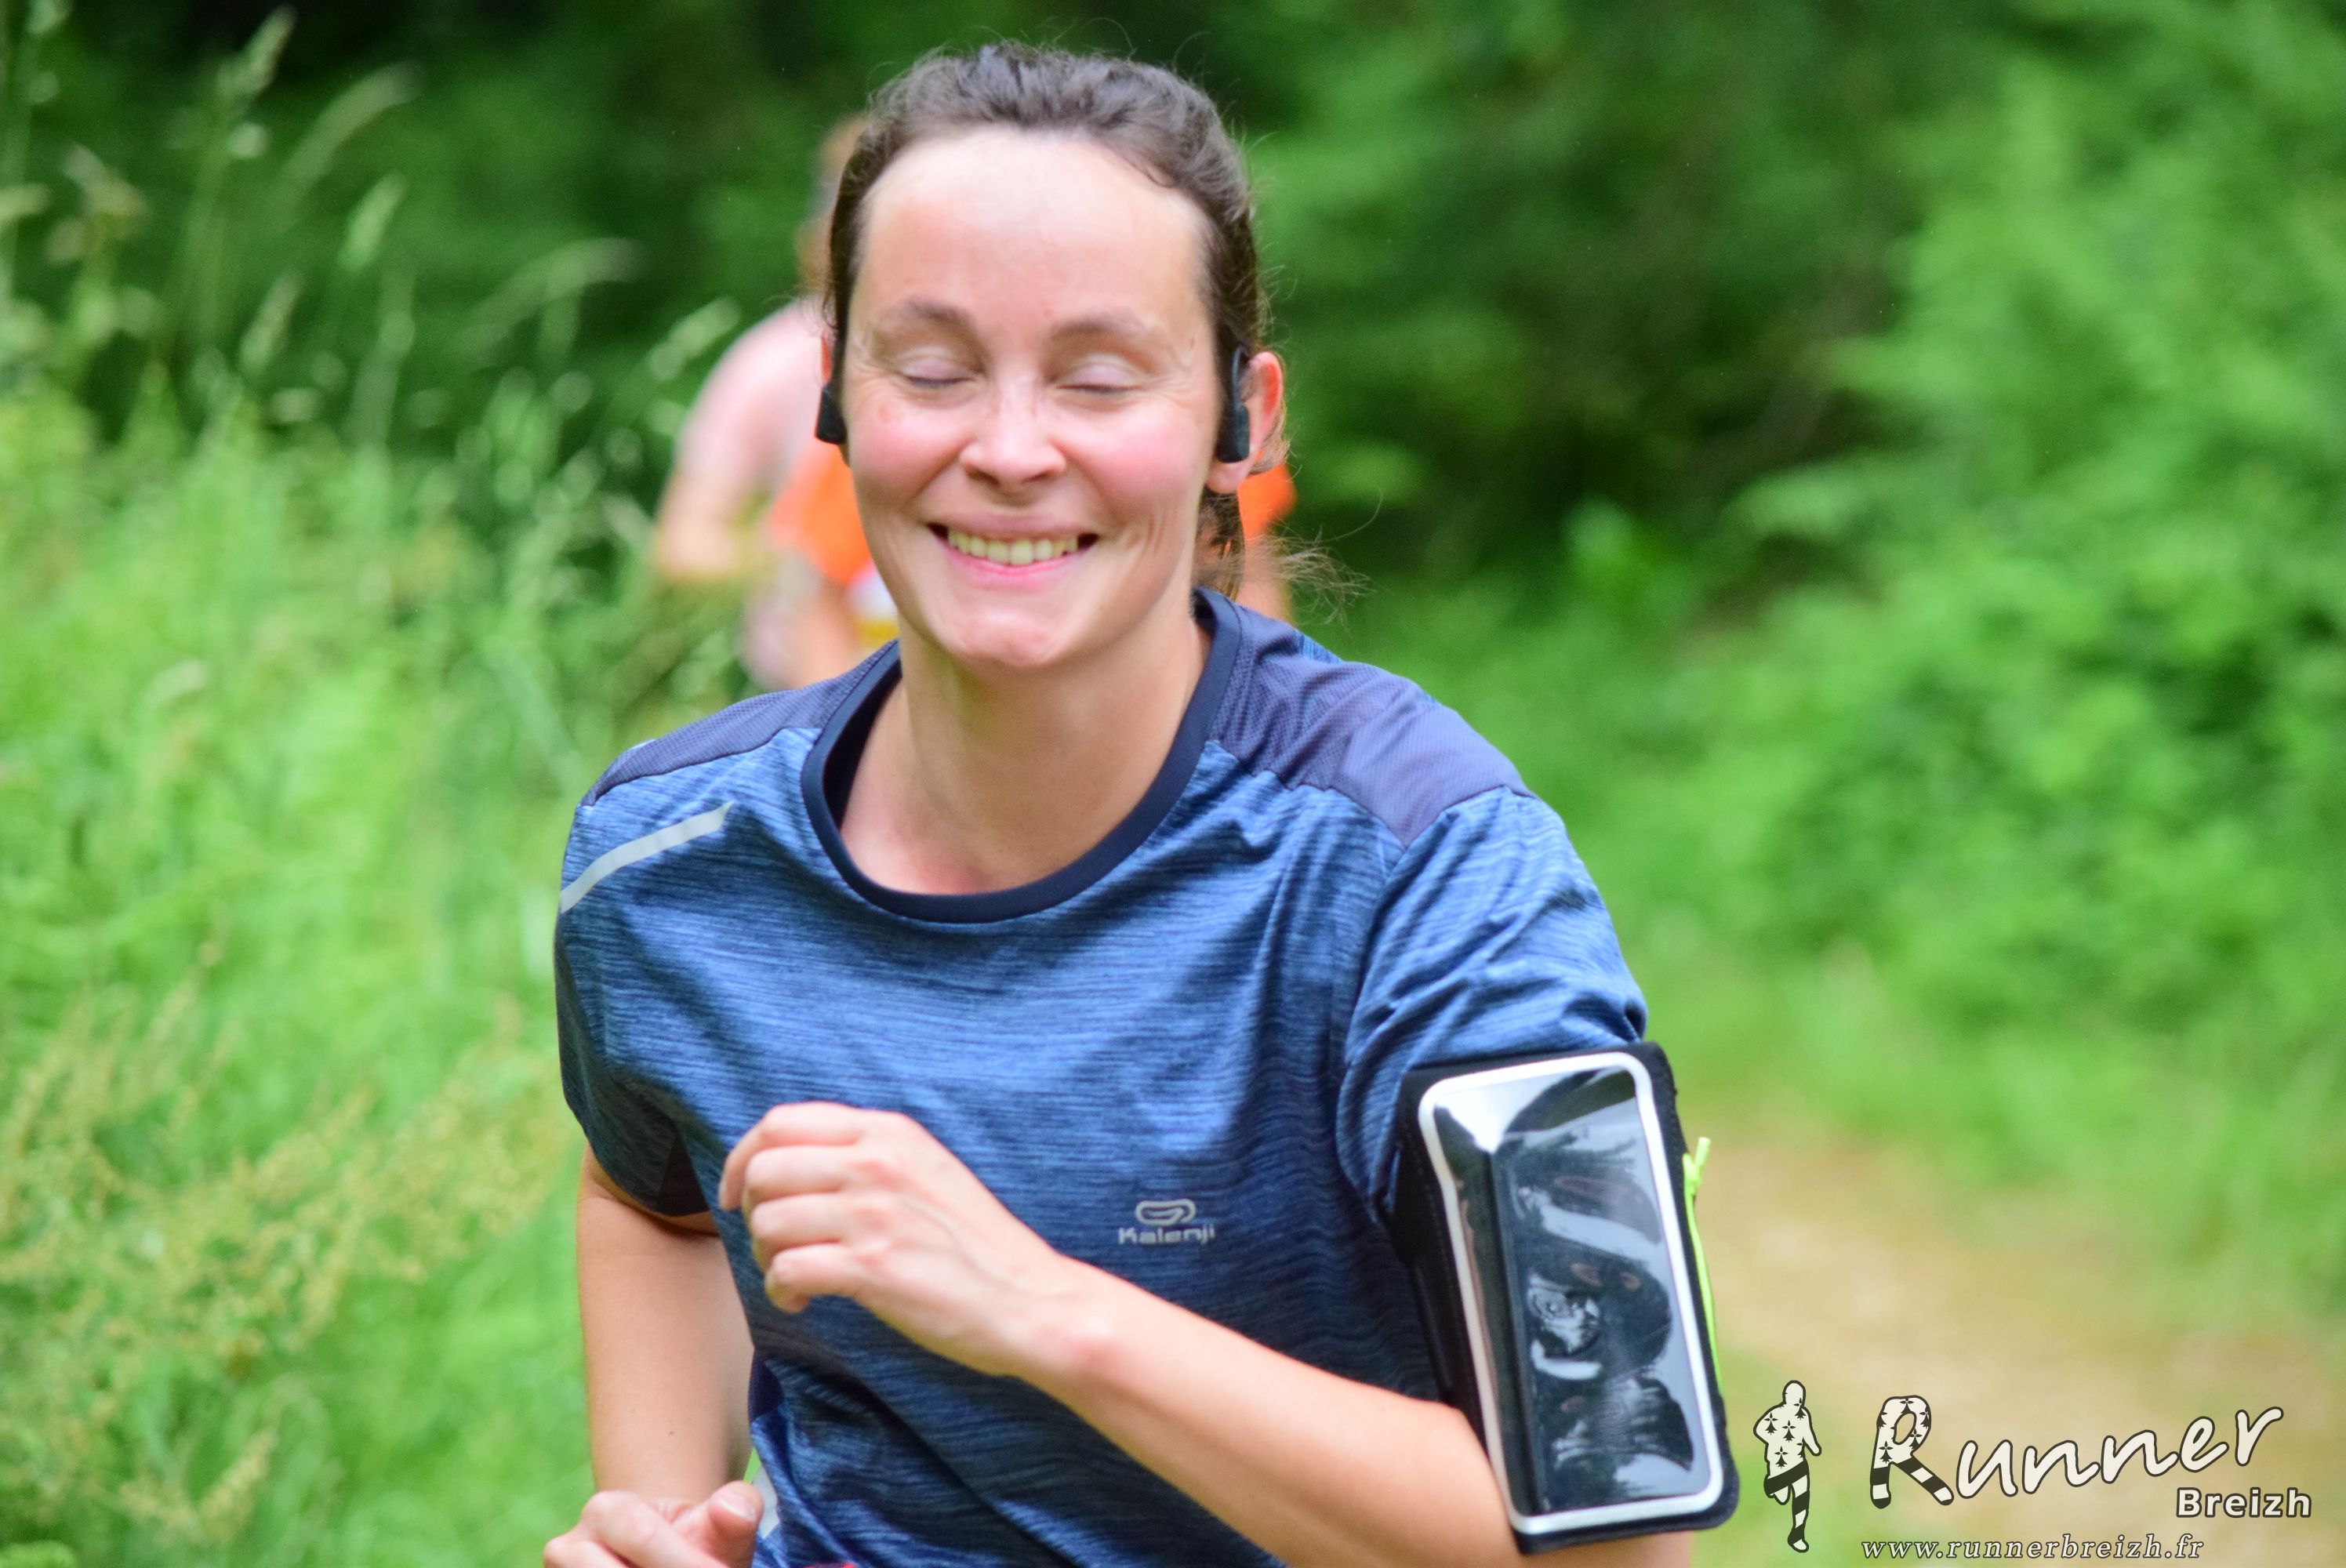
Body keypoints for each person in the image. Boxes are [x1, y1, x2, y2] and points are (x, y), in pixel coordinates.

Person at [545, 43, 1684, 1568]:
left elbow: (1619, 1532)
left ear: (1240, 419)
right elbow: (650, 1192)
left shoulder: (1438, 872)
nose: (1009, 451)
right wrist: (667, 1517)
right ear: (833, 390)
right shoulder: (664, 865)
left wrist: (1044, 1312)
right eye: (930, 367)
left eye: (1097, 376)